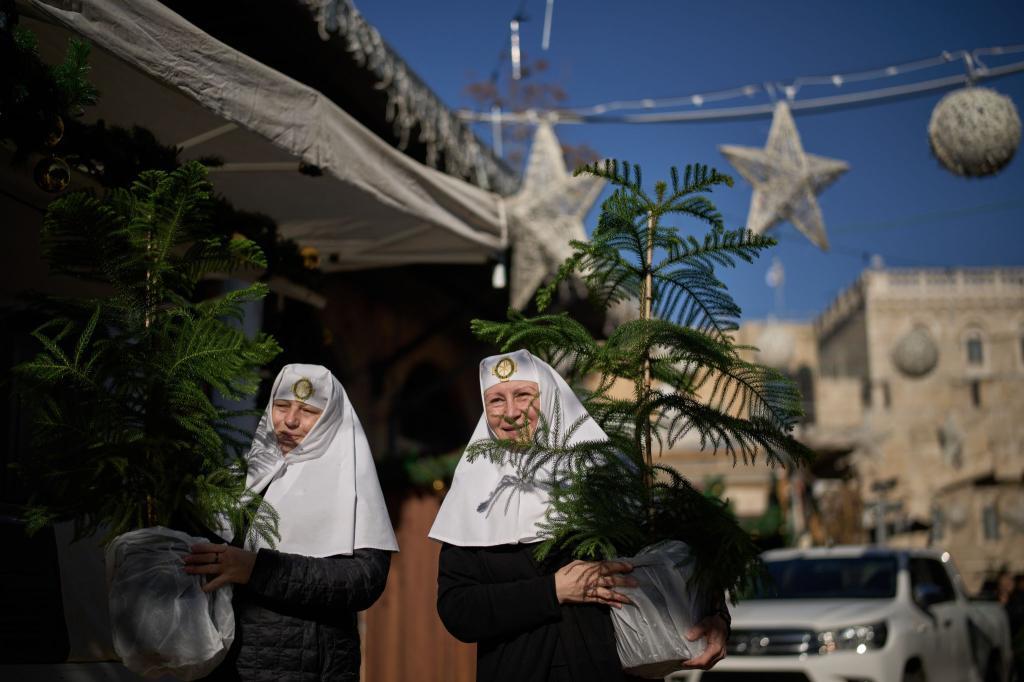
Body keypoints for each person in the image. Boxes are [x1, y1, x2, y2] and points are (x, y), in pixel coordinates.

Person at [429, 350, 729, 682]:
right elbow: (458, 610)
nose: (511, 412)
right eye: (496, 400)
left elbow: (687, 554)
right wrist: (552, 591)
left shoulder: (604, 472)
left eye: (524, 395)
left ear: (551, 399)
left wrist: (717, 616)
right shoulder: (475, 493)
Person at [184, 364, 398, 682]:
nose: (290, 421)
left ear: (330, 419)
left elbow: (363, 581)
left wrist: (258, 570)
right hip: (228, 665)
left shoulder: (351, 482)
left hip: (312, 667)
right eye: (281, 406)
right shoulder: (241, 476)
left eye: (308, 411)